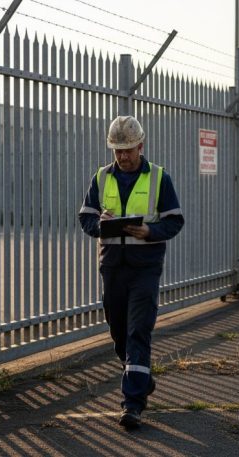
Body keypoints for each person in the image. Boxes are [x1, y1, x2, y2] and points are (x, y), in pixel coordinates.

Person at [79, 115, 184, 429]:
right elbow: (85, 216)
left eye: (128, 150)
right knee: (119, 331)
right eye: (117, 151)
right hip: (112, 265)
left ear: (141, 145)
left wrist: (150, 232)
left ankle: (132, 403)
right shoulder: (101, 177)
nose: (122, 156)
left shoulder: (159, 178)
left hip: (145, 268)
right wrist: (101, 224)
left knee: (139, 329)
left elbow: (174, 220)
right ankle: (142, 377)